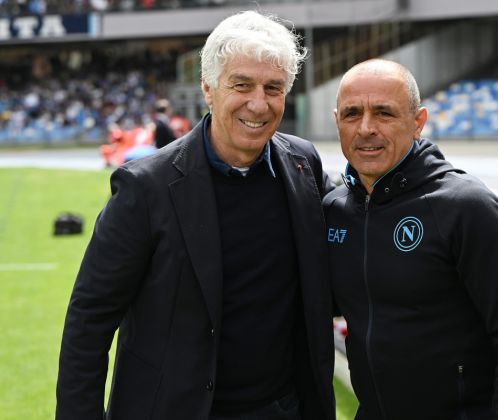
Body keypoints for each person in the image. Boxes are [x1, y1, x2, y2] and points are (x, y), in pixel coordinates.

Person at [56, 11, 335, 420]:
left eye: (273, 88)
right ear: (208, 87)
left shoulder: (303, 163)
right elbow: (89, 320)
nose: (258, 103)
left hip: (282, 408)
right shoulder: (145, 187)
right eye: (241, 85)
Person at [324, 58, 498, 419]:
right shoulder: (335, 210)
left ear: (418, 122)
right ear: (337, 122)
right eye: (352, 114)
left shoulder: (467, 208)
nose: (366, 128)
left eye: (384, 113)